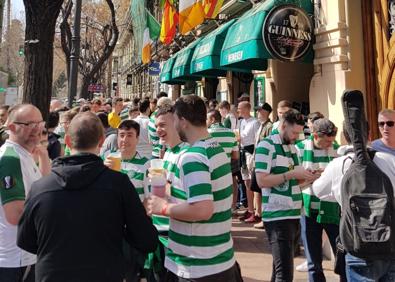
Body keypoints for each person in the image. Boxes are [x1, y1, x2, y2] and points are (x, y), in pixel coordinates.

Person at [17, 112, 158, 282]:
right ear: (101, 142)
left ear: (68, 141)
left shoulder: (41, 187)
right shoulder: (119, 184)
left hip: (53, 274)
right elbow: (146, 239)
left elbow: (25, 240)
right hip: (103, 273)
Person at [148, 95, 242, 281]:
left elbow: (202, 209)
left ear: (182, 121)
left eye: (174, 119)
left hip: (197, 265)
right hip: (217, 259)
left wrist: (162, 208)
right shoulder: (214, 148)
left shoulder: (192, 157)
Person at [312, 122, 395, 282]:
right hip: (389, 244)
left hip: (357, 245)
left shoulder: (337, 165)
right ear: (370, 135)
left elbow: (318, 191)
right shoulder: (390, 161)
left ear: (344, 136)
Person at [255, 109, 318, 282]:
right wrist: (290, 175)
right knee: (285, 273)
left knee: (279, 270)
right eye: (294, 132)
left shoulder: (292, 147)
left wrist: (309, 177)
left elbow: (294, 182)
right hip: (276, 217)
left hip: (293, 214)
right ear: (283, 125)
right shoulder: (265, 145)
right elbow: (261, 181)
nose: (297, 137)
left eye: (299, 133)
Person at [0, 104, 51, 282]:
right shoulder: (10, 159)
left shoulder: (24, 155)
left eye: (40, 123)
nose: (38, 129)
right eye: (30, 124)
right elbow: (15, 215)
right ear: (12, 127)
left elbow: (44, 188)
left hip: (24, 256)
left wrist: (44, 157)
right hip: (14, 260)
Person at [295, 118, 343, 282]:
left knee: (342, 257)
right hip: (309, 210)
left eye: (332, 141)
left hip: (333, 211)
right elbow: (292, 181)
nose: (330, 145)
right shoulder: (299, 149)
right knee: (313, 262)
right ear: (315, 135)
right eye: (327, 141)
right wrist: (311, 178)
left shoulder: (338, 150)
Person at [104, 119, 150, 203]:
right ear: (117, 138)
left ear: (137, 139)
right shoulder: (109, 159)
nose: (124, 140)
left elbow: (149, 199)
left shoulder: (146, 164)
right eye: (121, 135)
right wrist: (103, 171)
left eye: (129, 135)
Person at [237, 101, 261, 223]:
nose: (238, 110)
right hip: (242, 151)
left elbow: (257, 140)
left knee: (252, 182)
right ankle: (250, 209)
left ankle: (257, 211)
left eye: (240, 108)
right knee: (246, 181)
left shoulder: (254, 122)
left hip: (251, 153)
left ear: (247, 109)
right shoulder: (241, 122)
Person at [252, 102, 273, 229]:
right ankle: (259, 213)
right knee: (257, 189)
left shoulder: (269, 126)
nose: (258, 113)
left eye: (260, 111)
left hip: (265, 162)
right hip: (259, 161)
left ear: (266, 112)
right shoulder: (262, 125)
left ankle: (264, 216)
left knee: (263, 190)